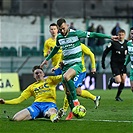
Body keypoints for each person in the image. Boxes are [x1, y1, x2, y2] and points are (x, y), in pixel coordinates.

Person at [40, 18, 118, 113]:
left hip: (76, 65)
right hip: (66, 65)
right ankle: (73, 110)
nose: (62, 31)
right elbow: (56, 49)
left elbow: (93, 34)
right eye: (60, 29)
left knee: (65, 77)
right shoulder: (59, 37)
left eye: (63, 28)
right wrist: (46, 59)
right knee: (67, 91)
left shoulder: (75, 33)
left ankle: (76, 102)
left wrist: (109, 37)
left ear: (67, 26)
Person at [101, 29, 128, 101]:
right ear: (117, 35)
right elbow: (105, 52)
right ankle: (112, 80)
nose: (121, 36)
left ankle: (117, 96)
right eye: (119, 35)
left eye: (122, 35)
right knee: (118, 81)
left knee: (123, 80)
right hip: (115, 63)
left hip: (123, 64)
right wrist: (102, 62)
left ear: (124, 35)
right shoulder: (113, 43)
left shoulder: (127, 43)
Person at [124, 27, 133, 92]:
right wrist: (124, 64)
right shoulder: (128, 44)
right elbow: (129, 56)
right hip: (132, 68)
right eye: (132, 33)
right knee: (132, 88)